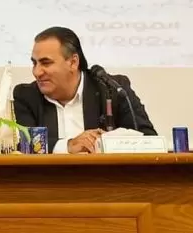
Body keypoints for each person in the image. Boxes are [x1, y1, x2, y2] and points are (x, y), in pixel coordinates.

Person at [14, 26, 156, 154]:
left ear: (73, 62)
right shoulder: (27, 96)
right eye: (34, 63)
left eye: (46, 63)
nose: (37, 72)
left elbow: (149, 139)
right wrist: (68, 146)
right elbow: (23, 145)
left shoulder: (112, 89)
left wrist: (108, 142)